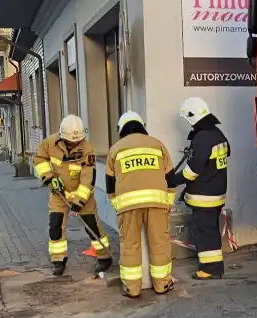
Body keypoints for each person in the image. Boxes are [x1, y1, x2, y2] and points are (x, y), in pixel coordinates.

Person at [105, 112, 174, 298]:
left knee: (130, 245)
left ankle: (132, 288)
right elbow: (171, 177)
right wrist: (169, 202)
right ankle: (162, 284)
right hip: (157, 203)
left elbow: (110, 185)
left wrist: (117, 205)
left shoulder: (115, 149)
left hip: (128, 206)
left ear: (121, 129)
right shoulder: (157, 144)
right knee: (159, 243)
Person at [34, 114, 112, 276]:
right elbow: (39, 159)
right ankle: (58, 260)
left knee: (92, 226)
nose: (75, 143)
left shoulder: (87, 148)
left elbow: (88, 178)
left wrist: (78, 202)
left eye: (77, 141)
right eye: (71, 141)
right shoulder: (50, 143)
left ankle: (104, 257)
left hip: (82, 195)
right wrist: (49, 178)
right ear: (62, 137)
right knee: (55, 225)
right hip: (59, 194)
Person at [167, 97, 229, 279]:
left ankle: (209, 270)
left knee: (204, 232)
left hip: (204, 196)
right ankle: (215, 267)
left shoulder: (202, 138)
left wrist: (171, 181)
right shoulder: (218, 134)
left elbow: (191, 172)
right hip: (217, 193)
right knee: (211, 230)